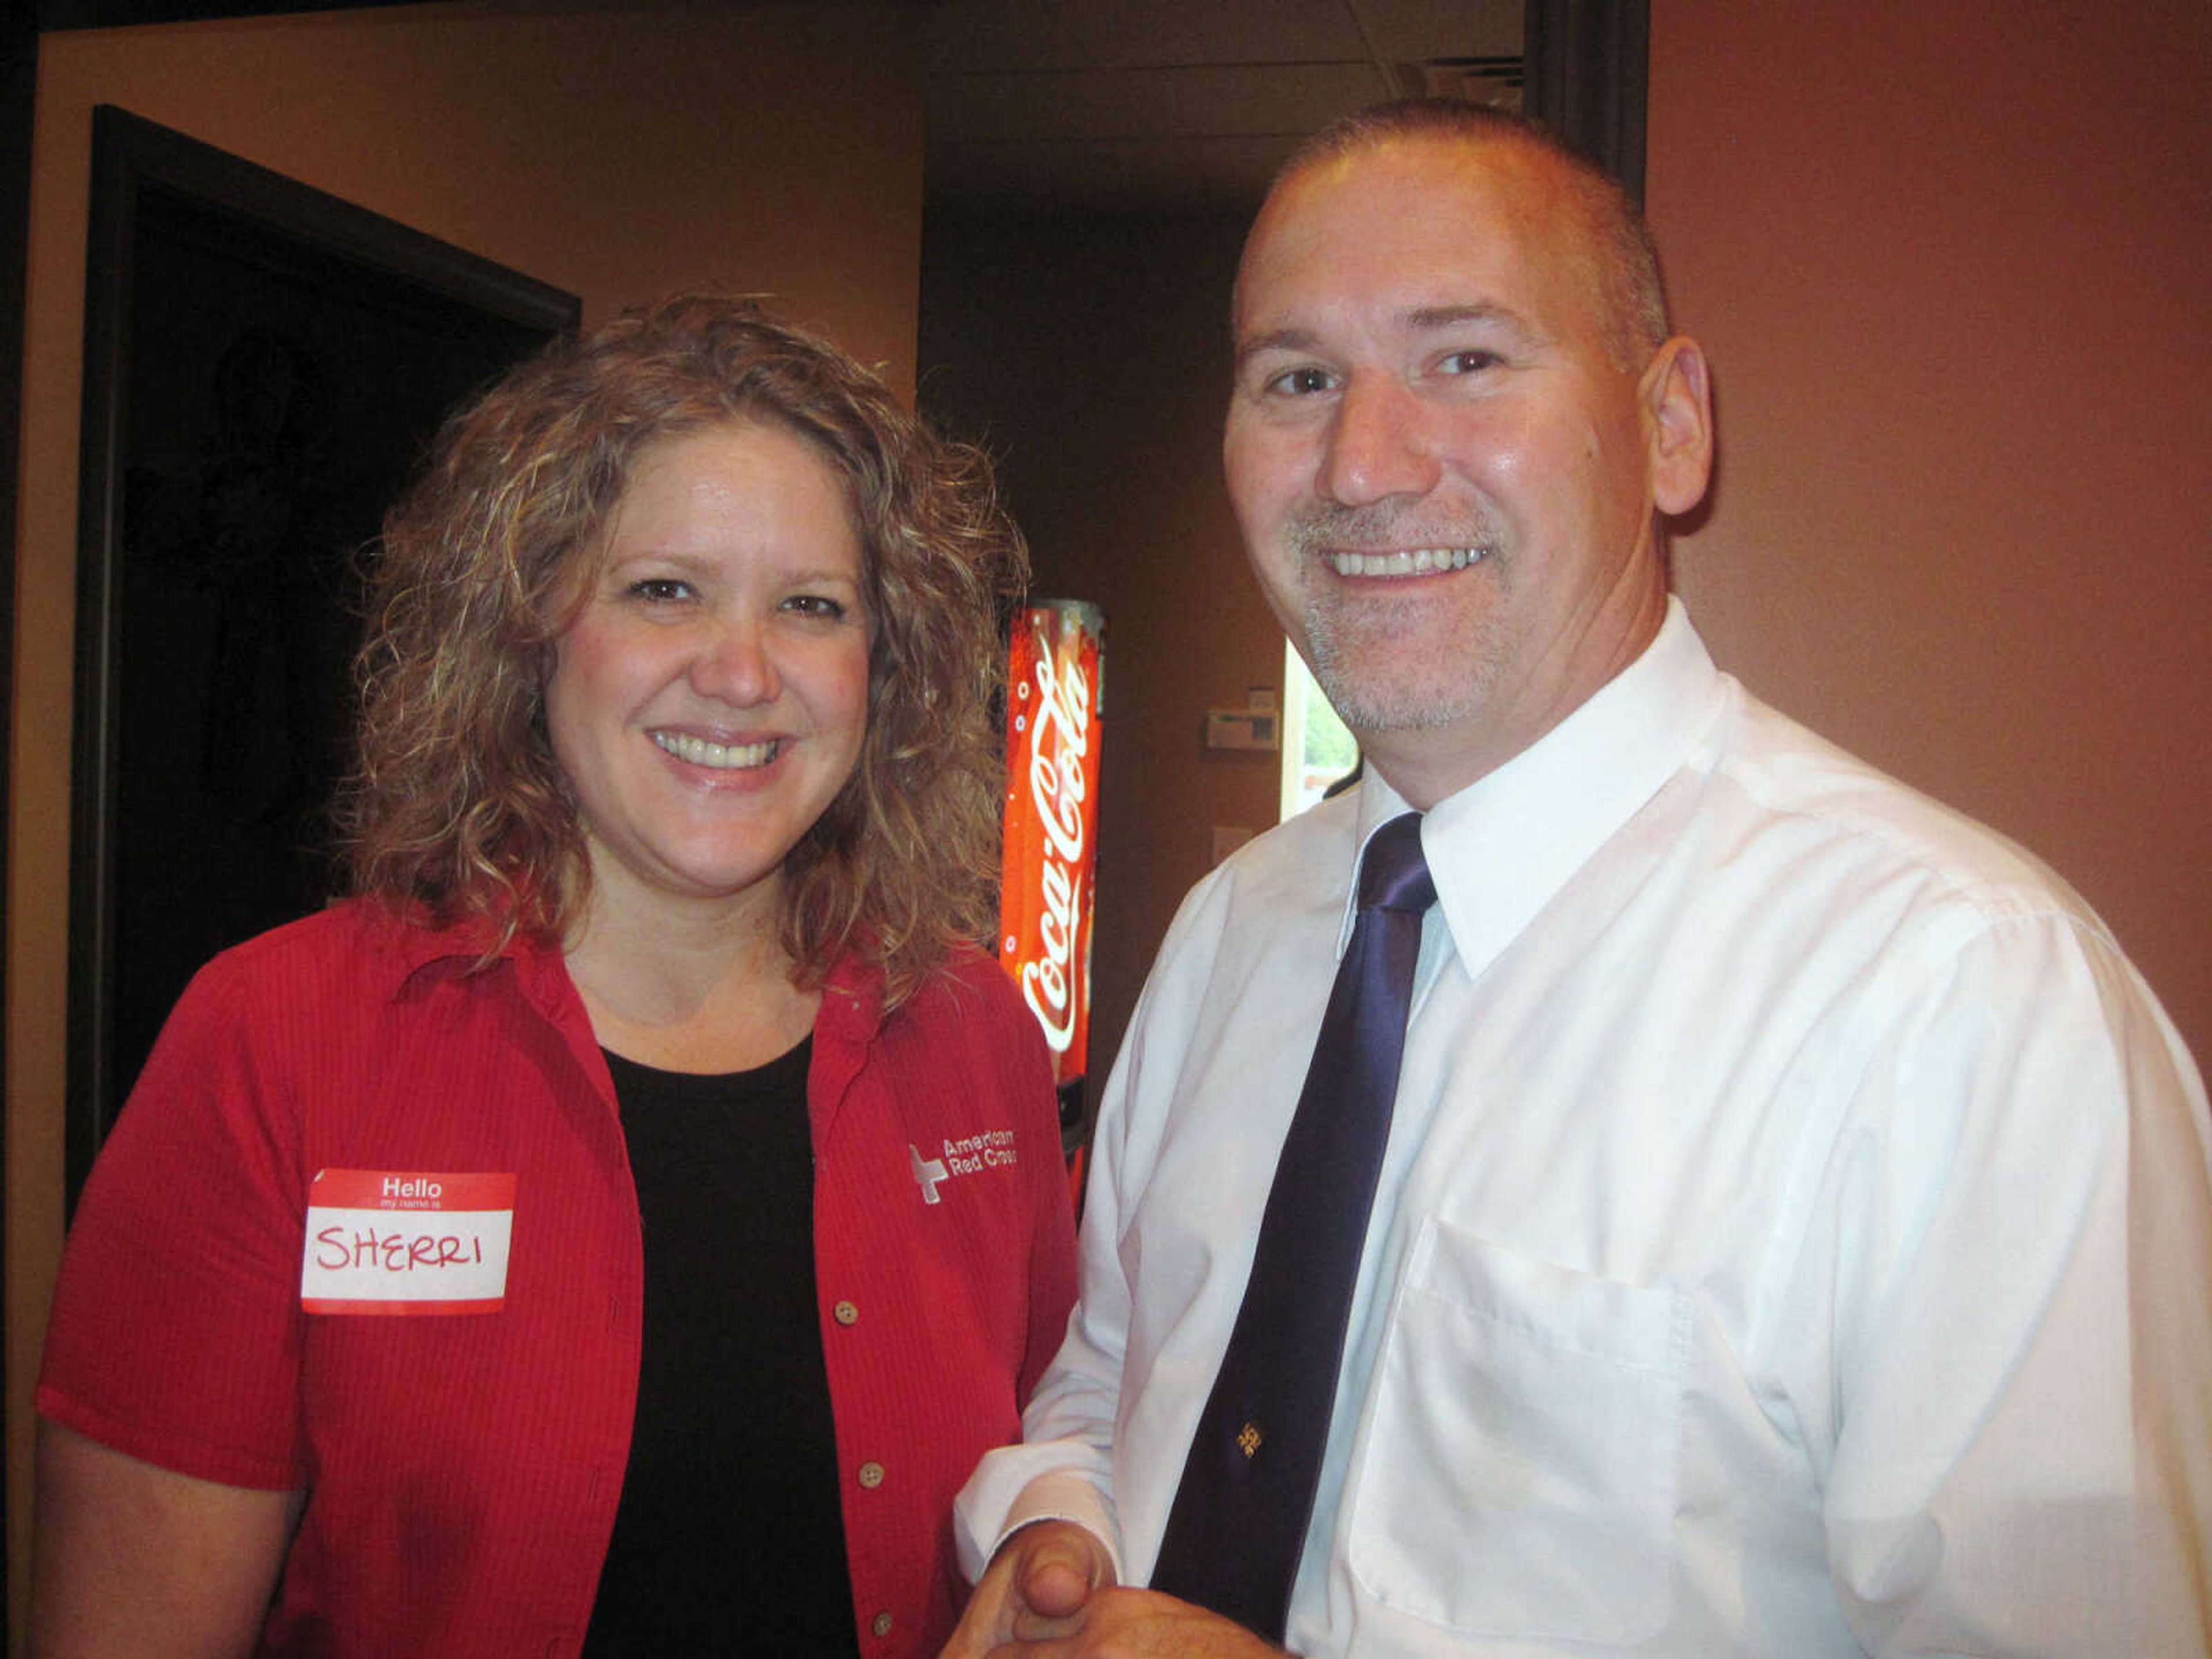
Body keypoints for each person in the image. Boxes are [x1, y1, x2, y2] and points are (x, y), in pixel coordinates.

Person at [945, 100, 2212, 1658]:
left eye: (1465, 358)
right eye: (1298, 379)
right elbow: (1112, 1367)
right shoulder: (1234, 934)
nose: (1360, 462)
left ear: (1671, 429)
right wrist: (1055, 1524)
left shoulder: (1962, 1005)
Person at [32, 294, 1079, 1657]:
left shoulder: (970, 1032)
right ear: (526, 628)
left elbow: (1064, 1435)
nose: (744, 672)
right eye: (665, 590)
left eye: (813, 606)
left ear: (890, 670)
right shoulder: (277, 1042)